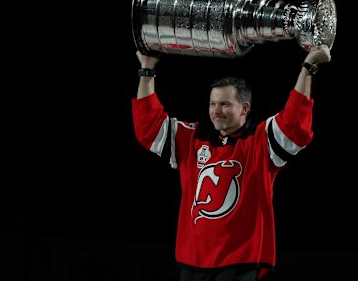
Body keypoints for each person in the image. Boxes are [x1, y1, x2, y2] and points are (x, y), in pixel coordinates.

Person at [131, 44, 332, 281]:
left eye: (225, 104)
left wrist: (307, 68)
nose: (216, 111)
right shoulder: (192, 139)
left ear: (244, 108)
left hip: (241, 262)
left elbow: (295, 124)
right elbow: (148, 126)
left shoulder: (259, 141)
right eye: (212, 104)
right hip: (192, 260)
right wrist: (146, 69)